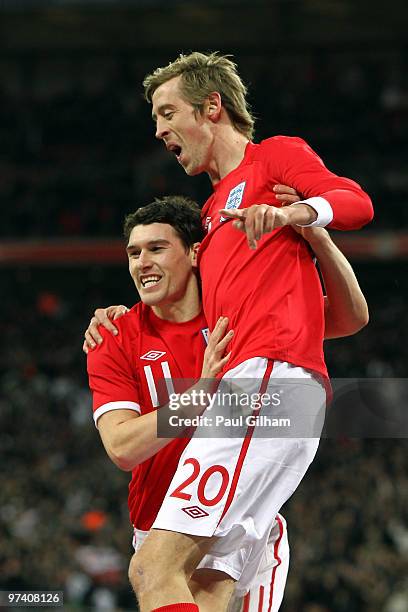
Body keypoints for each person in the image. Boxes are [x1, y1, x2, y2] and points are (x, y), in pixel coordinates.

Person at [123, 51, 373, 612]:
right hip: (260, 388)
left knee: (153, 563)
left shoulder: (273, 159)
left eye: (167, 112)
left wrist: (300, 217)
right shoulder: (209, 215)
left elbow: (356, 201)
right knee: (204, 585)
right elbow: (341, 321)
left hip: (265, 383)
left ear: (212, 107)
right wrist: (118, 317)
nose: (159, 129)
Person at [85, 191, 369, 611]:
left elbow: (350, 317)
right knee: (154, 568)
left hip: (238, 528)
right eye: (133, 252)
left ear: (196, 252)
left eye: (157, 248)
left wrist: (317, 237)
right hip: (159, 524)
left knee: (162, 572)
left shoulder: (241, 317)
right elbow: (123, 448)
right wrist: (197, 396)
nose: (141, 262)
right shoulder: (115, 336)